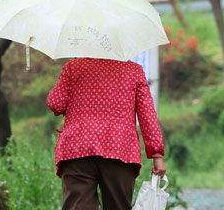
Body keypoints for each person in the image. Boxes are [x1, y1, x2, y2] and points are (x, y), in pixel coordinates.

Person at [47, 57, 166, 210]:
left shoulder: (73, 67)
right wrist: (157, 155)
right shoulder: (134, 71)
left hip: (78, 148)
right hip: (120, 149)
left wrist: (73, 71)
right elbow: (147, 115)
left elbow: (55, 104)